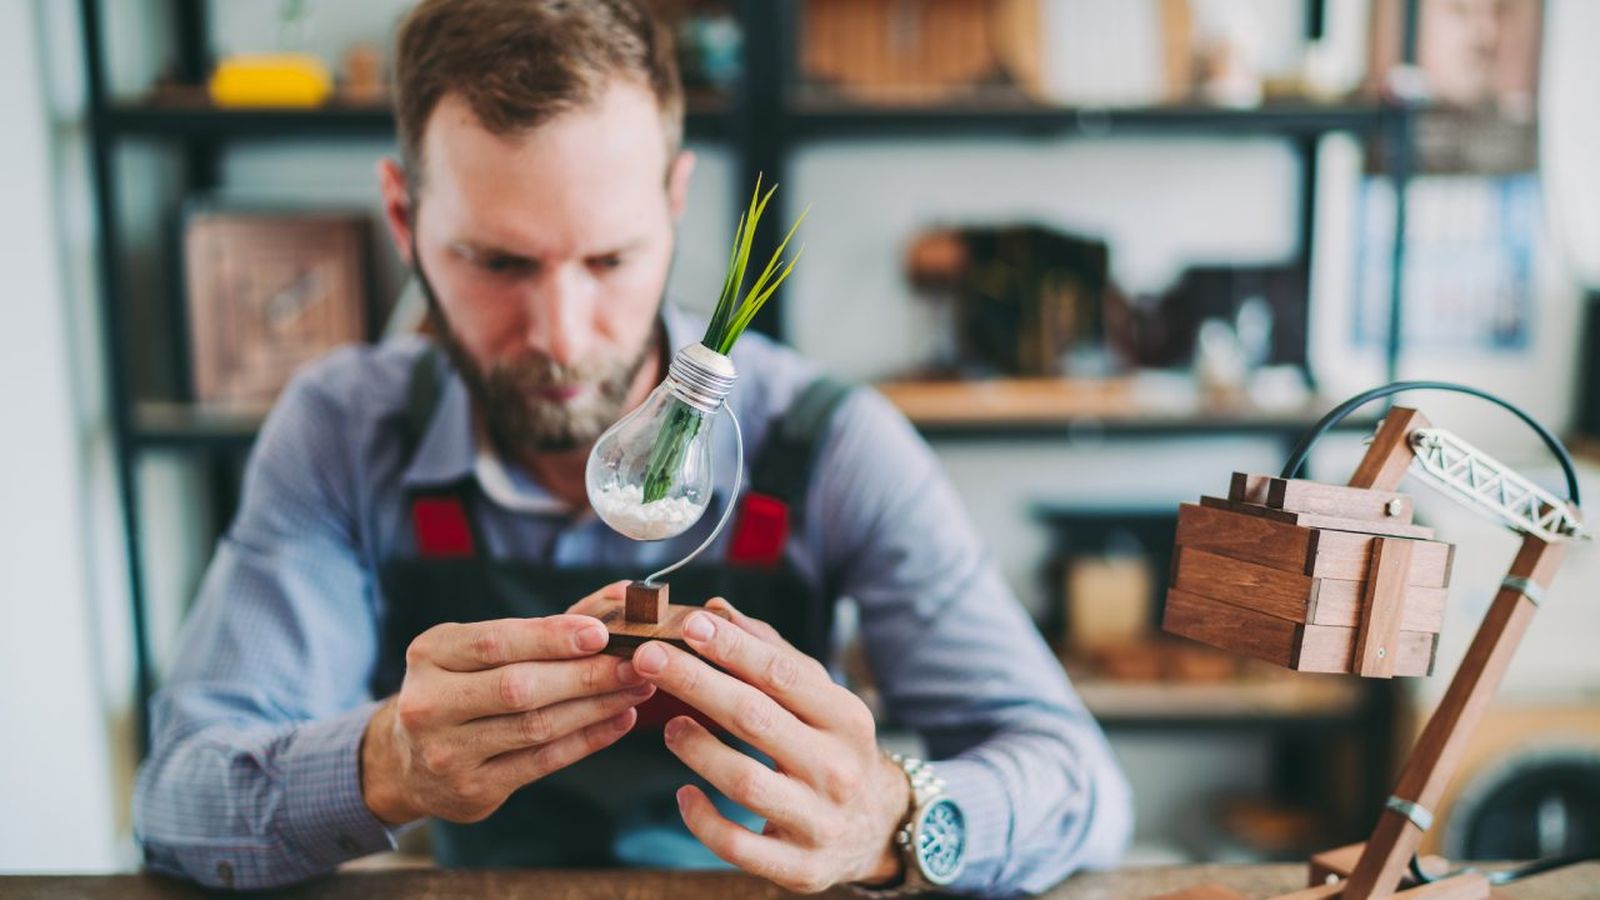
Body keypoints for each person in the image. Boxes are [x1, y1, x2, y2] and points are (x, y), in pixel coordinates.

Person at [133, 0, 1132, 893]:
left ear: (673, 204)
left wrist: (892, 819)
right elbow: (178, 806)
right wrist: (387, 762)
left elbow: (1080, 784)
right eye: (494, 261)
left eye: (610, 259)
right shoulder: (344, 435)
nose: (562, 338)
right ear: (405, 219)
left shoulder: (825, 444)